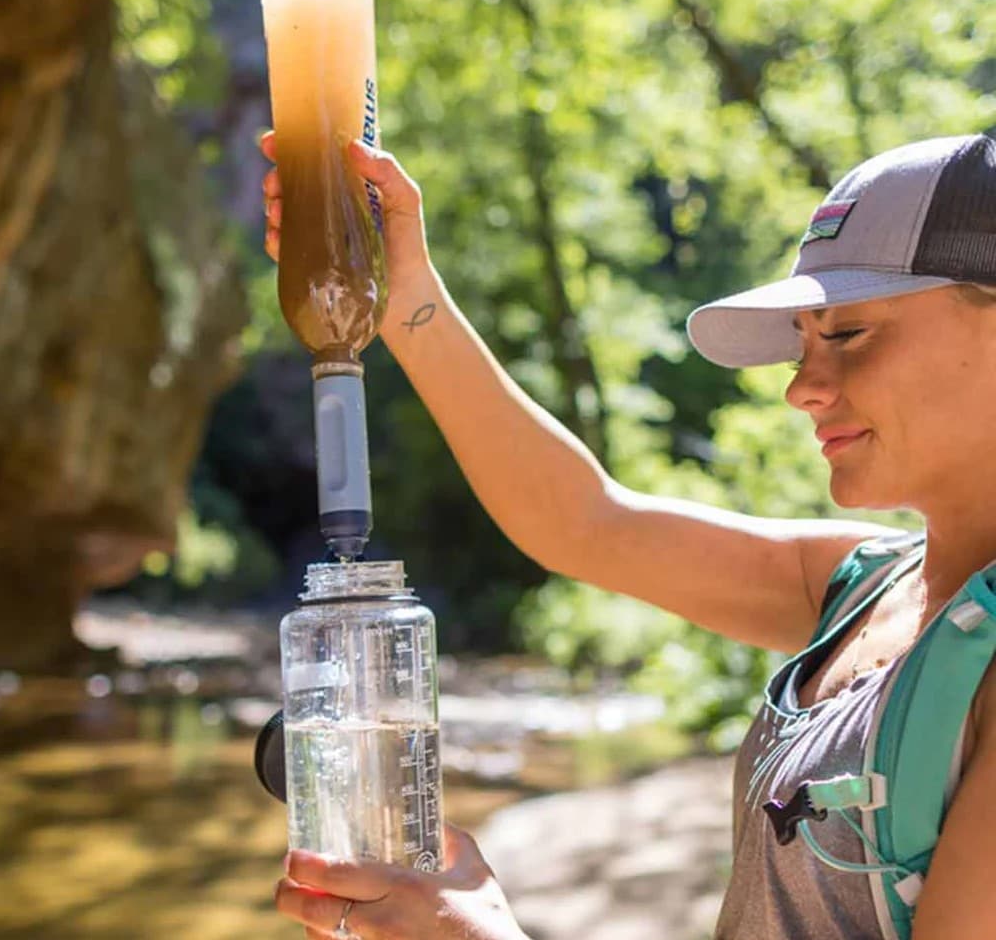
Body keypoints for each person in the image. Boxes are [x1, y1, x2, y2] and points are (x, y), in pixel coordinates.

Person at [261, 131, 996, 940]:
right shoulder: (863, 588)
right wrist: (405, 293)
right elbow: (584, 521)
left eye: (849, 334)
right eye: (802, 342)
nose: (802, 390)